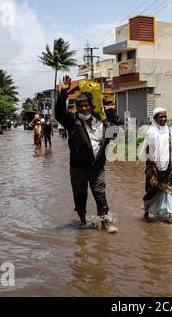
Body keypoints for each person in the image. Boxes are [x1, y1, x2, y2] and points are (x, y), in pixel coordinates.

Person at [55, 75, 117, 233]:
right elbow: (59, 113)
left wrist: (114, 120)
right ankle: (82, 221)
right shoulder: (72, 122)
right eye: (80, 106)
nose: (84, 108)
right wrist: (63, 93)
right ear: (77, 107)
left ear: (91, 106)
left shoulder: (102, 124)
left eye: (86, 105)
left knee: (100, 194)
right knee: (80, 195)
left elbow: (116, 135)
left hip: (97, 168)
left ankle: (105, 223)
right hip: (78, 168)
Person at [141, 108, 172, 223]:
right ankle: (147, 210)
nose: (164, 119)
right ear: (155, 119)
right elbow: (149, 154)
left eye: (165, 116)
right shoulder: (151, 132)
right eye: (161, 117)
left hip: (170, 166)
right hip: (155, 167)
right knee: (153, 190)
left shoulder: (170, 131)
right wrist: (152, 173)